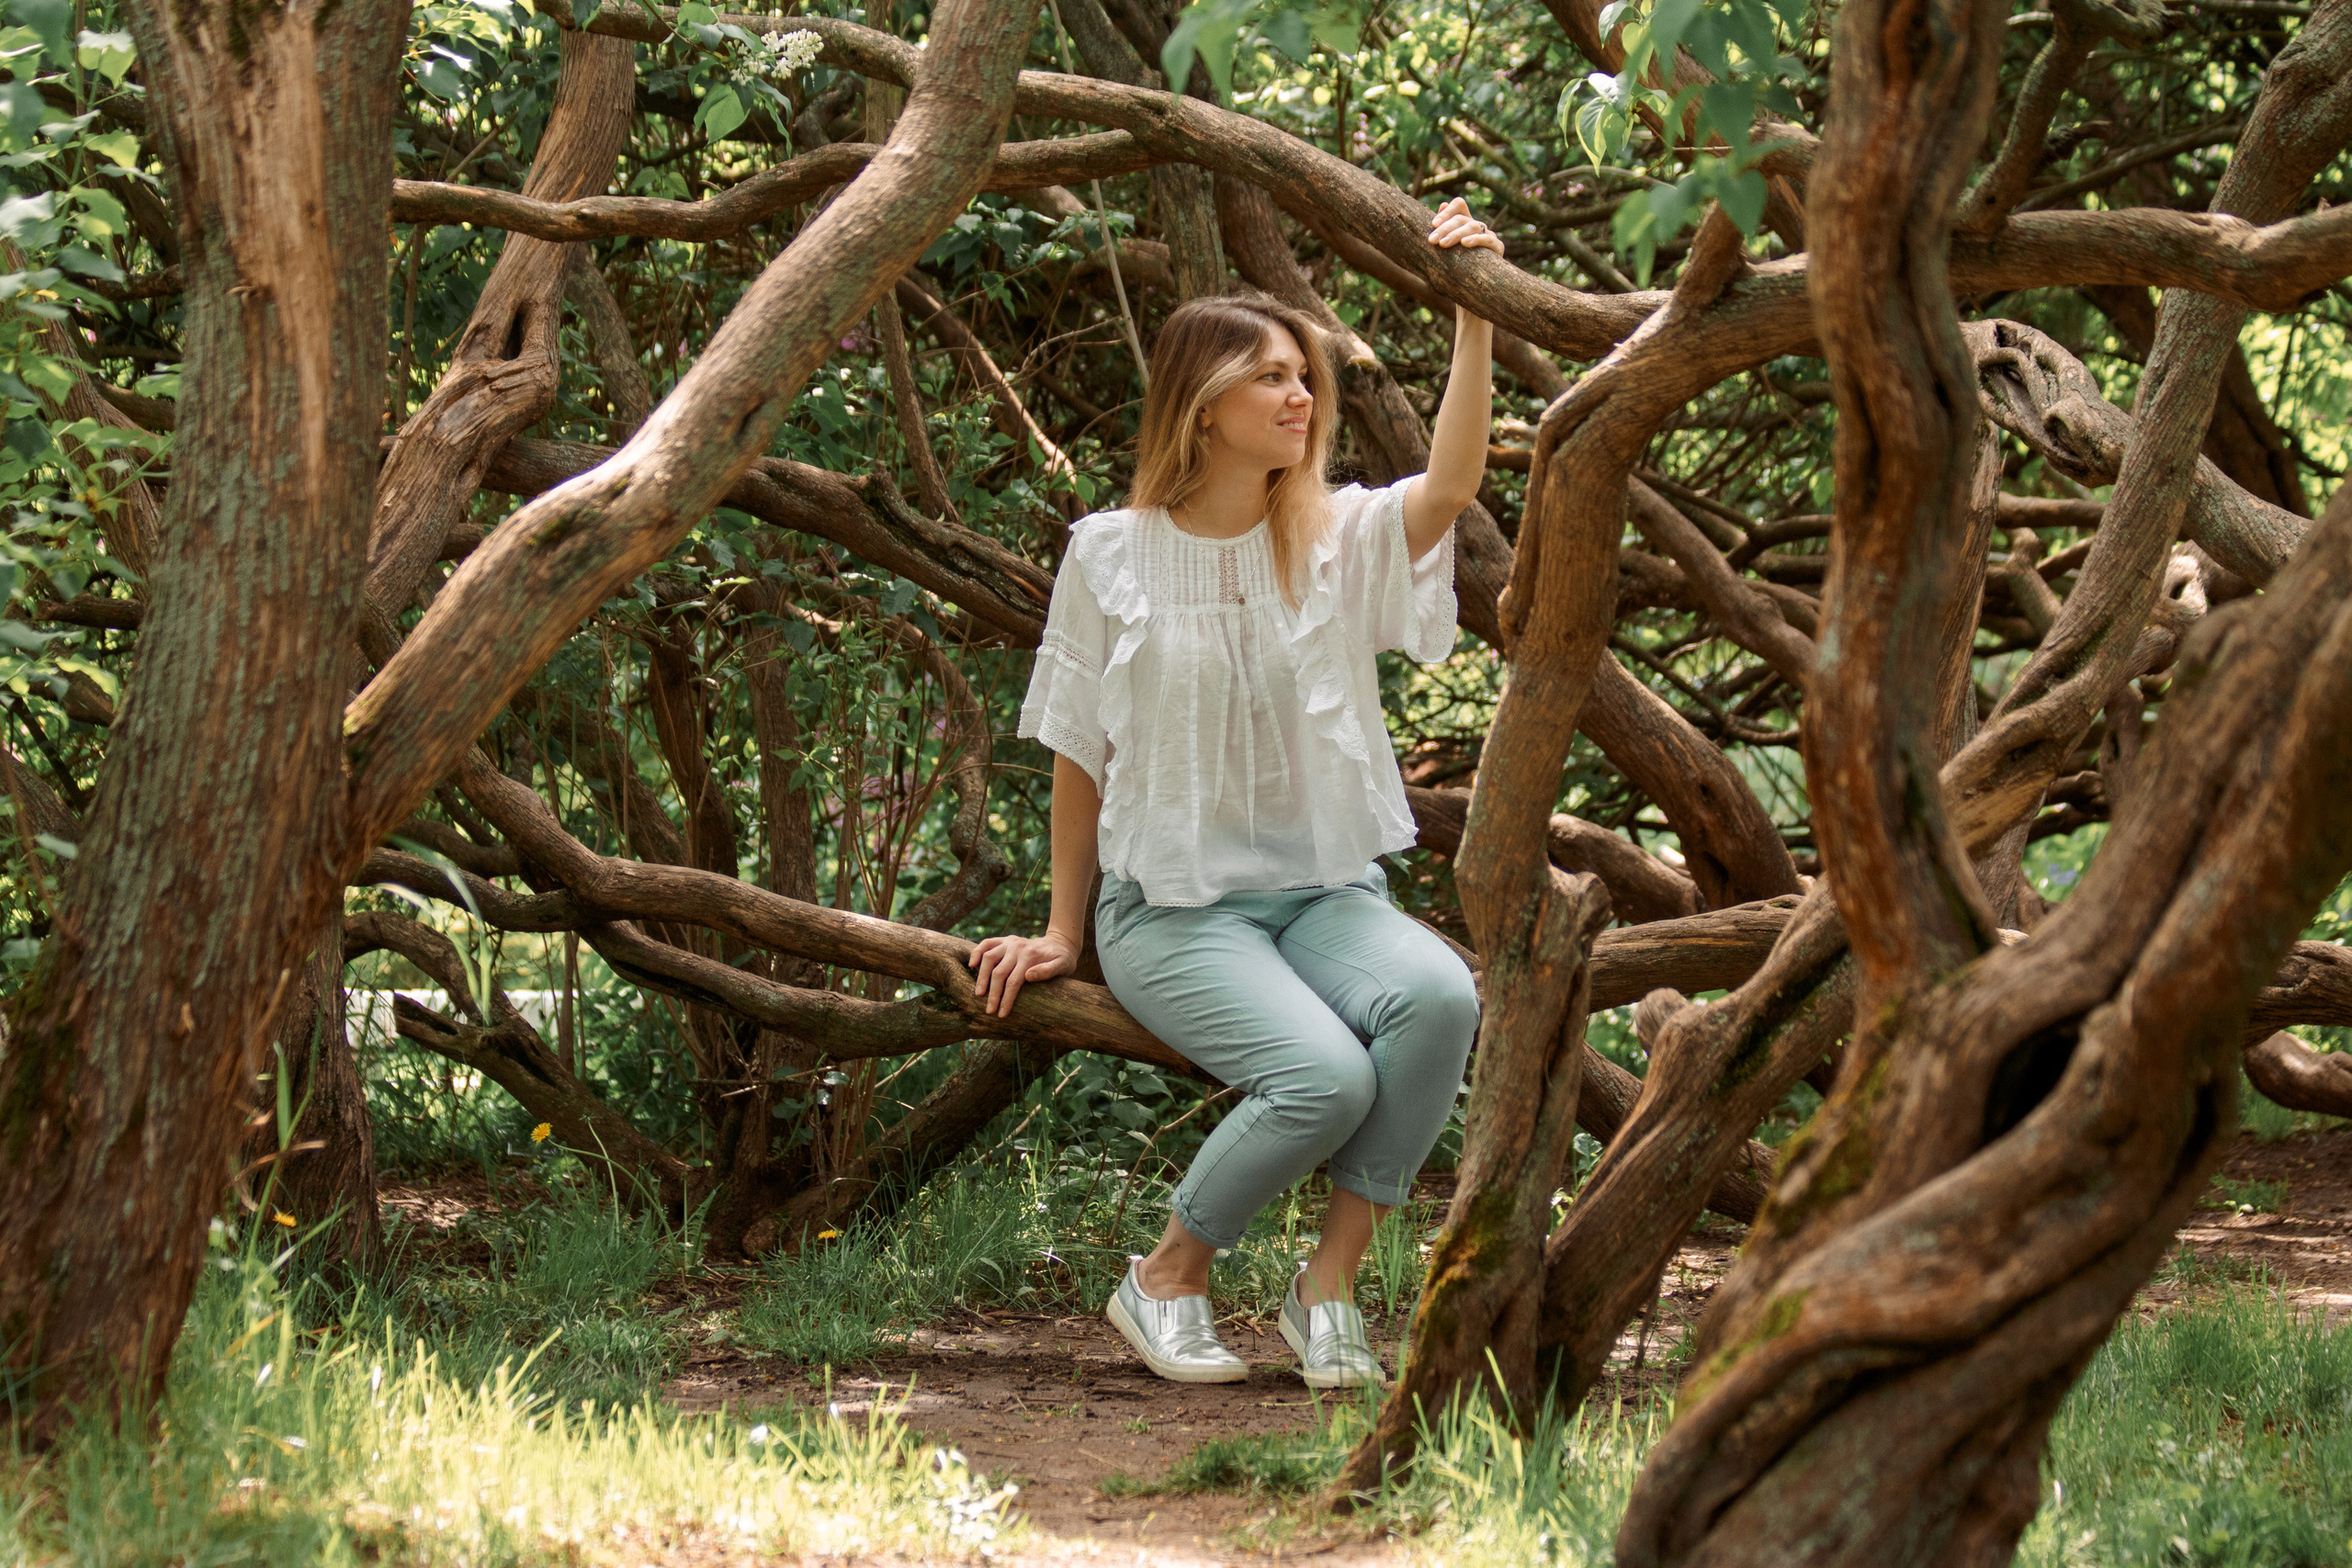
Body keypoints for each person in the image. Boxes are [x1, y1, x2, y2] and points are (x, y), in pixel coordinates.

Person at [967, 197, 1505, 1390]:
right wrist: (1065, 931)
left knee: (1438, 997)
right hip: (1172, 913)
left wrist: (1475, 314)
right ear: (1204, 404)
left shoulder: (1330, 537)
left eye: (1304, 376)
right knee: (1324, 1077)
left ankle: (1327, 1290)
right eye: (1271, 378)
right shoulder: (1107, 553)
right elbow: (1077, 752)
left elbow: (1451, 483)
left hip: (1324, 896)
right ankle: (1166, 1276)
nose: (1301, 396)